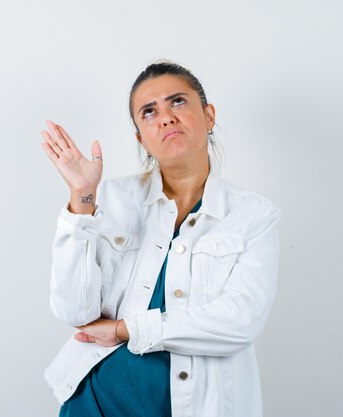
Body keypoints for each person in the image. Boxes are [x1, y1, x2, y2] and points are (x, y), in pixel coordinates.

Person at [40, 60, 281, 417]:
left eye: (178, 102)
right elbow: (74, 310)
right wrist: (82, 199)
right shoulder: (110, 200)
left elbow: (239, 320)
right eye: (149, 111)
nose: (165, 117)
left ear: (209, 115)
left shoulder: (253, 215)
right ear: (141, 137)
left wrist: (126, 329)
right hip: (96, 403)